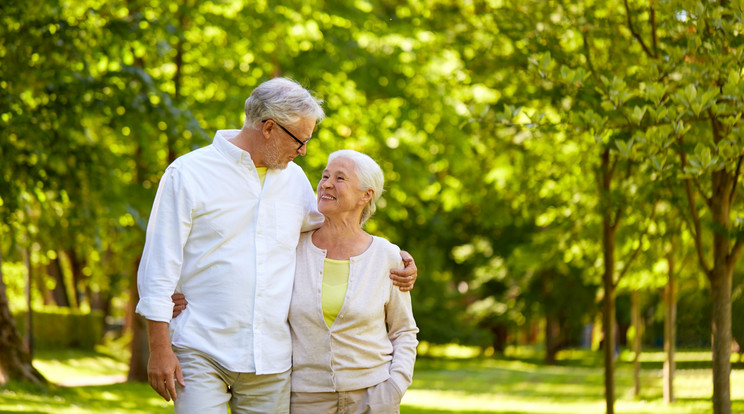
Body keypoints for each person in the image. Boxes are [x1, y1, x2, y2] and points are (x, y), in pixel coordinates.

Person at [135, 77, 417, 414]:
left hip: (271, 359)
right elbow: (159, 265)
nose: (303, 151)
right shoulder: (188, 174)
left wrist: (394, 257)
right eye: (300, 140)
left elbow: (337, 226)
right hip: (199, 346)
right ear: (269, 128)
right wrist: (159, 346)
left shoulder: (294, 180)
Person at [288, 150, 418, 413]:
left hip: (373, 395)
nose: (325, 183)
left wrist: (394, 387)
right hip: (305, 397)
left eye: (339, 178)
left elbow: (404, 330)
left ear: (366, 194)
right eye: (324, 176)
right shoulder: (293, 246)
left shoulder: (386, 255)